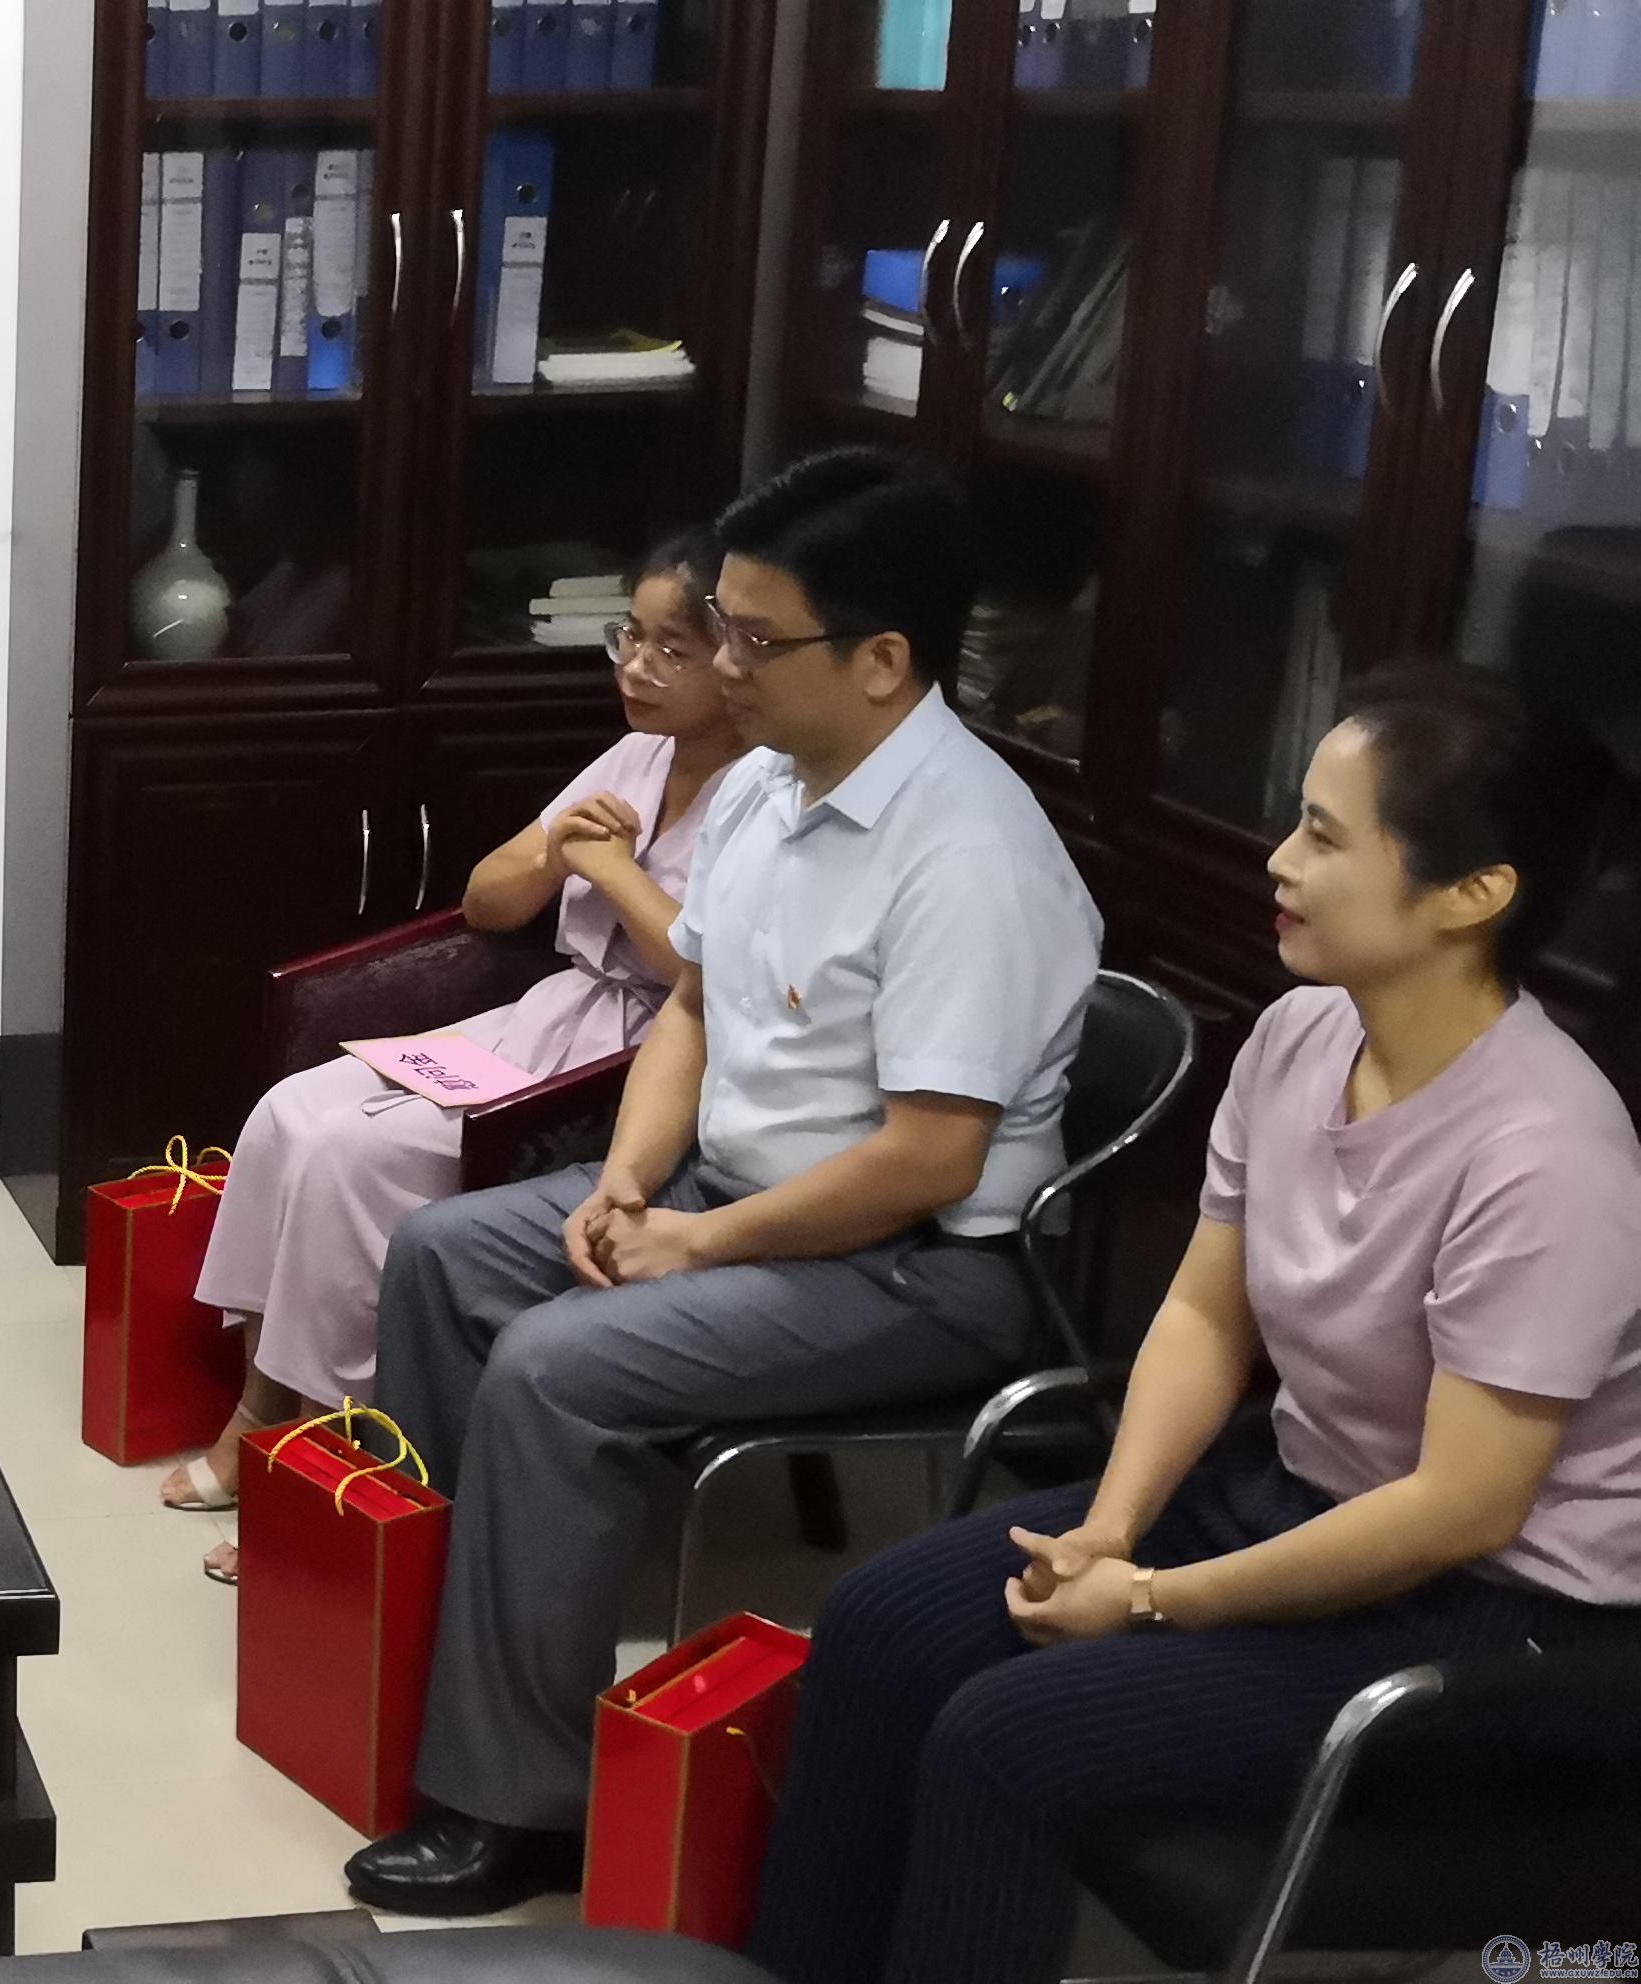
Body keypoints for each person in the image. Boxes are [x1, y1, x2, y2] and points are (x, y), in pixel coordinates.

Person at [745, 667, 1641, 1984]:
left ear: (1472, 894)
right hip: (1296, 1494)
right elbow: (1205, 1314)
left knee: (1008, 1738)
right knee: (880, 1624)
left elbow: (1461, 1508)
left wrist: (1153, 1602)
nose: (1279, 860)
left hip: (1492, 1619)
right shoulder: (1298, 1035)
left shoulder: (1548, 1157)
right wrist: (1109, 1529)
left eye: (1324, 837)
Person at [343, 448, 1104, 1914]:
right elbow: (691, 1004)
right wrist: (631, 1182)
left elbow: (929, 1159)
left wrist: (695, 1246)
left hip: (915, 1265)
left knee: (555, 1368)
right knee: (439, 1255)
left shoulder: (969, 854)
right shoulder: (769, 784)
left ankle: (516, 1800)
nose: (725, 667)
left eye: (755, 640)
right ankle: (433, 1684)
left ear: (881, 660)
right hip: (734, 1194)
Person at [172, 534, 750, 1584]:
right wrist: (554, 851)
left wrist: (612, 870)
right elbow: (488, 900)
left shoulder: (763, 791)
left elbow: (700, 976)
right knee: (290, 1114)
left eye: (672, 649)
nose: (635, 667)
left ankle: (337, 1469)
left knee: (351, 1162)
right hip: (549, 1014)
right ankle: (259, 1411)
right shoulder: (636, 756)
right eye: (629, 638)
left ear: (737, 657)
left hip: (637, 1057)